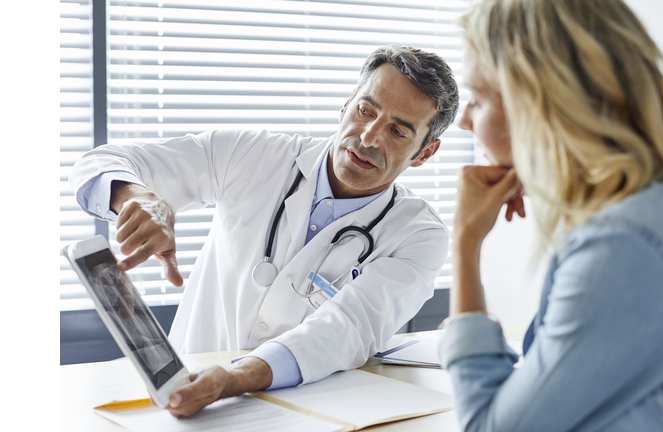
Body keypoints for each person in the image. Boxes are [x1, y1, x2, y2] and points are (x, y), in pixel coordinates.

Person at [70, 45, 460, 417]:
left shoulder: (419, 235)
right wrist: (139, 197)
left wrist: (236, 378)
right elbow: (101, 162)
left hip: (307, 413)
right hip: (184, 399)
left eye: (398, 131)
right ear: (345, 105)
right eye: (365, 110)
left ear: (424, 152)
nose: (369, 137)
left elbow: (350, 328)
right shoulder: (251, 155)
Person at [438, 0, 663, 430]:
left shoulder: (630, 245)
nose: (464, 123)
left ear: (541, 105)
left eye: (477, 99)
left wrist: (465, 244)